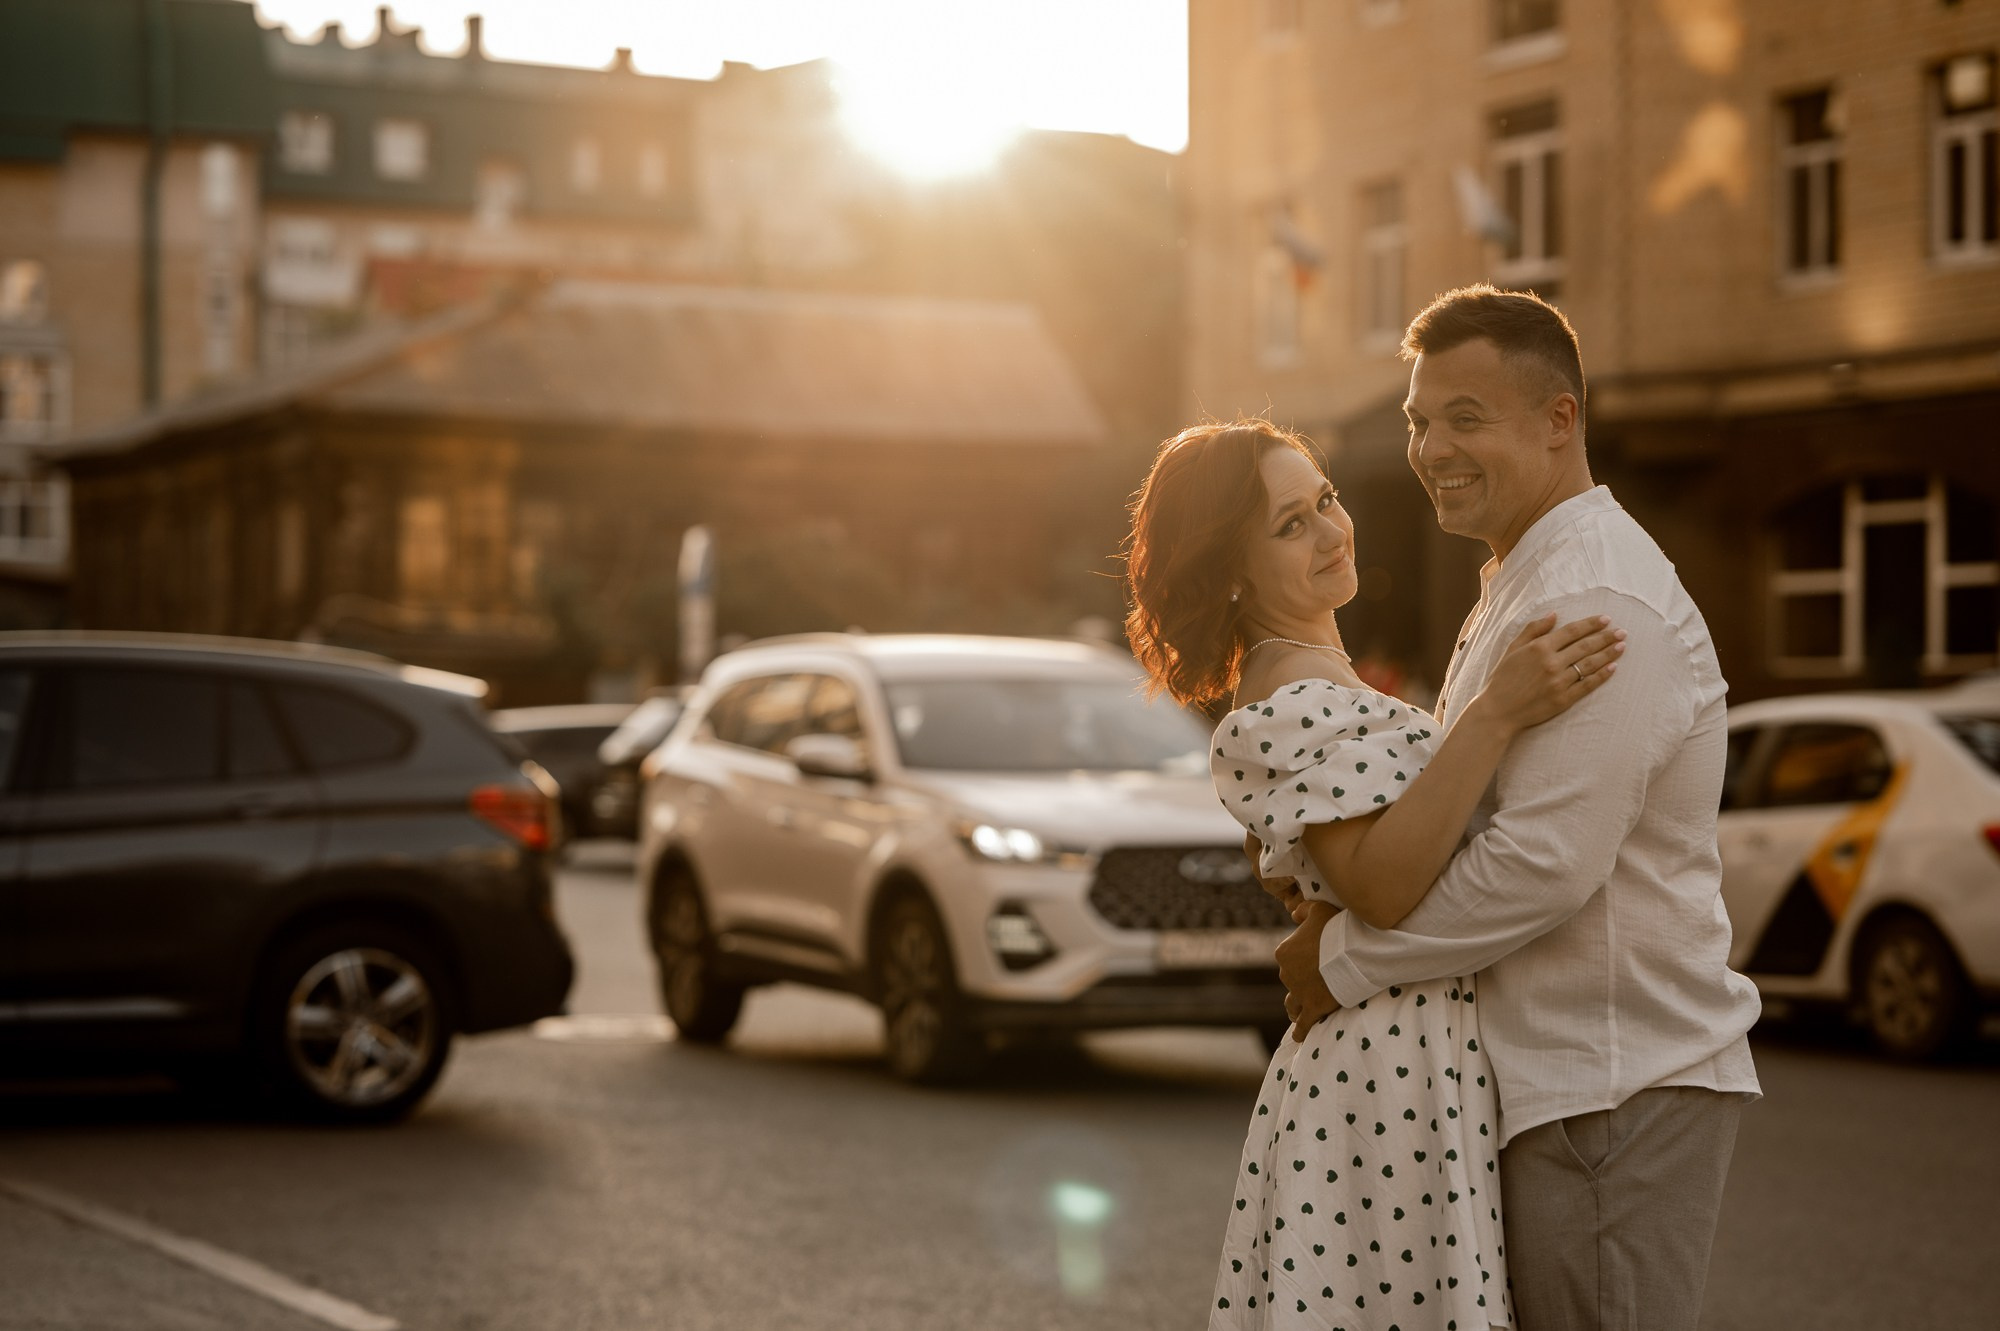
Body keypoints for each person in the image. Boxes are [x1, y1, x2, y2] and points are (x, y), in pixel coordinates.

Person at [1279, 285, 1763, 1331]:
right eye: (1417, 419)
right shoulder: (1522, 576)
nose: (1428, 447)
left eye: (1463, 416)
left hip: (1608, 1087)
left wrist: (1345, 961)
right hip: (1557, 1085)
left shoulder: (1596, 596)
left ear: (1558, 421)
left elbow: (1540, 863)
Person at [1123, 415, 1624, 1329]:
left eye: (1325, 499)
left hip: (1412, 1060)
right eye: (1289, 525)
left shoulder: (1318, 674)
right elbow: (1385, 888)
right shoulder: (1285, 693)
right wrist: (1496, 712)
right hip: (1382, 1077)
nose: (1330, 531)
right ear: (1231, 570)